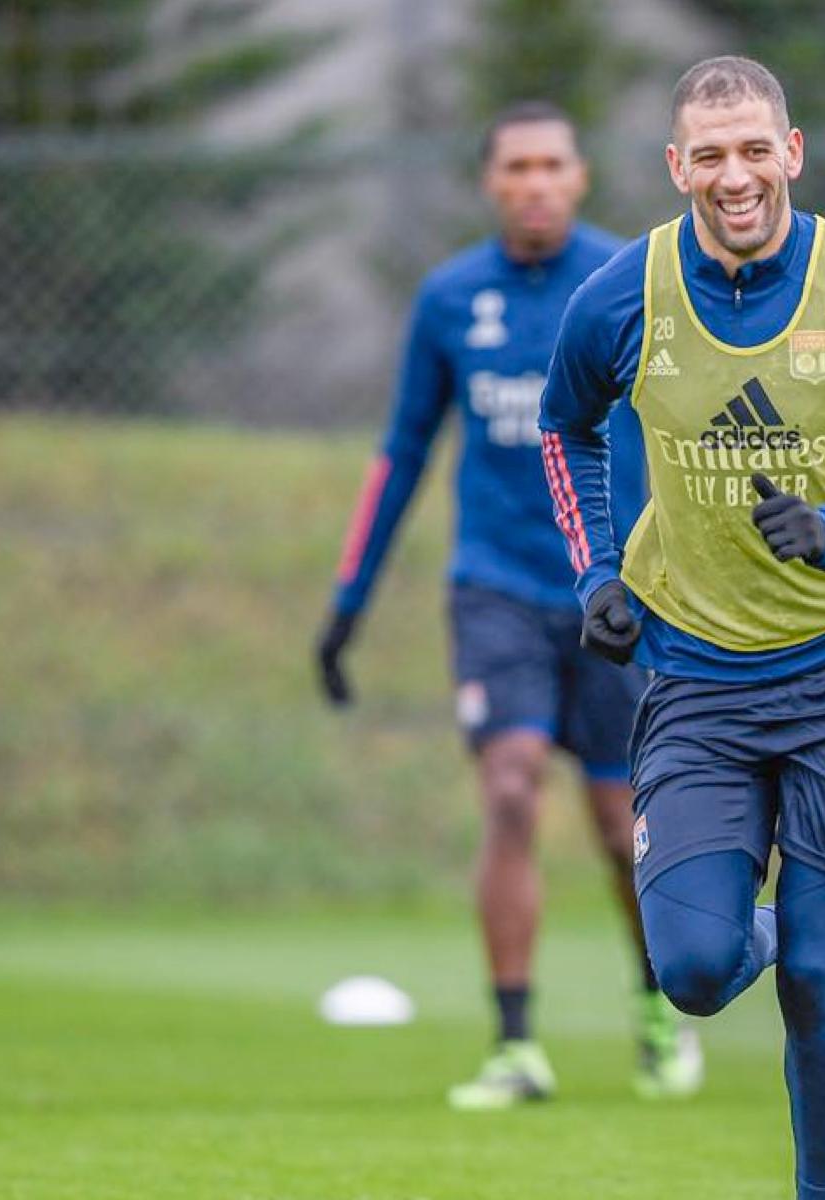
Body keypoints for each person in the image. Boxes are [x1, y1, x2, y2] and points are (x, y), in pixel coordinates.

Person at [538, 56, 825, 1200]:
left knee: (818, 982)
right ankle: (760, 920)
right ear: (676, 167)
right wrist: (594, 573)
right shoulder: (624, 295)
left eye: (753, 150)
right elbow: (562, 427)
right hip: (697, 676)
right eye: (709, 155)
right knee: (691, 969)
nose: (735, 177)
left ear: (792, 152)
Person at [315, 101, 702, 1110]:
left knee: (624, 833)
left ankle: (658, 1006)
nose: (534, 183)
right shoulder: (450, 300)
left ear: (580, 178)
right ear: (489, 183)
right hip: (493, 587)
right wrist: (349, 600)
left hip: (617, 592)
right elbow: (402, 450)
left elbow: (691, 429)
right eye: (515, 167)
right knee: (510, 786)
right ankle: (516, 1044)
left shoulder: (631, 285)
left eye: (552, 166)